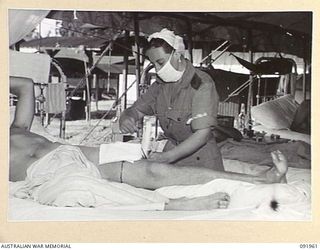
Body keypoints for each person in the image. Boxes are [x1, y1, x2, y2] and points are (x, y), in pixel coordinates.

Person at [9, 77, 288, 210]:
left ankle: (265, 178)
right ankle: (171, 205)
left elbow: (24, 84)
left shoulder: (17, 127)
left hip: (71, 152)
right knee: (79, 189)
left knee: (152, 169)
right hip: (45, 174)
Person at [119, 28, 224, 170]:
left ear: (176, 54)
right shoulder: (159, 86)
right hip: (171, 158)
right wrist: (127, 118)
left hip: (201, 162)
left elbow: (203, 134)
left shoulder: (202, 84)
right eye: (153, 64)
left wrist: (169, 156)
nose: (157, 69)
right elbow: (136, 110)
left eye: (160, 62)